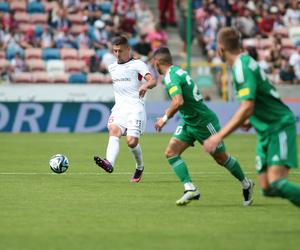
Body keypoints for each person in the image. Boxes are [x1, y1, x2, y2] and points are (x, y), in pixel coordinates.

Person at [203, 27, 300, 208]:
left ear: (220, 47)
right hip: (265, 130)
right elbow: (252, 104)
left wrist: (218, 136)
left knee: (277, 181)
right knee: (267, 187)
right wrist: (249, 119)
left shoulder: (242, 68)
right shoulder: (243, 64)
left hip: (278, 125)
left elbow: (247, 107)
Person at [153, 47, 254, 206]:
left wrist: (164, 118)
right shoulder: (177, 71)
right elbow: (181, 101)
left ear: (157, 62)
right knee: (171, 152)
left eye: (154, 64)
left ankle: (246, 183)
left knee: (221, 159)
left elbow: (178, 101)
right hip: (188, 121)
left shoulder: (170, 77)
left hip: (204, 122)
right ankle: (190, 188)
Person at [94, 36, 157, 183]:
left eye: (120, 51)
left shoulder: (137, 64)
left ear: (128, 49)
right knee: (113, 130)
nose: (117, 54)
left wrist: (145, 85)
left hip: (135, 108)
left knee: (131, 142)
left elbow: (153, 80)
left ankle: (140, 166)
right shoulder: (112, 67)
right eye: (115, 51)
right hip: (119, 108)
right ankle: (109, 162)